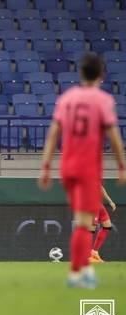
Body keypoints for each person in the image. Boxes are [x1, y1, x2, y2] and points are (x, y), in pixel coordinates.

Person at [39, 53, 126, 288]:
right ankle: (80, 272)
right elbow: (115, 137)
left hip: (68, 165)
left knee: (82, 221)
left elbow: (53, 134)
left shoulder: (67, 98)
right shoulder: (103, 100)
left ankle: (81, 270)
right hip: (88, 165)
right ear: (101, 75)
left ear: (80, 74)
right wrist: (121, 165)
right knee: (86, 223)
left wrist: (46, 166)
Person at [89, 186, 116, 263]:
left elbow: (100, 188)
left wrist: (110, 201)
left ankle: (95, 253)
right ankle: (89, 256)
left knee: (107, 225)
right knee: (91, 229)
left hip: (98, 204)